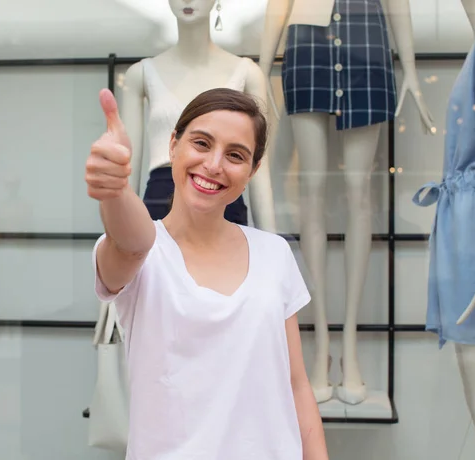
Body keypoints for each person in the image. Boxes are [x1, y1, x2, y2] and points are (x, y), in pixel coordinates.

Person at [85, 86, 329, 460]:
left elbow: (296, 385)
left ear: (253, 170)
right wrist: (114, 189)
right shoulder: (145, 255)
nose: (214, 165)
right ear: (173, 146)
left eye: (235, 155)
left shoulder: (275, 254)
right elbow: (133, 242)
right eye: (201, 143)